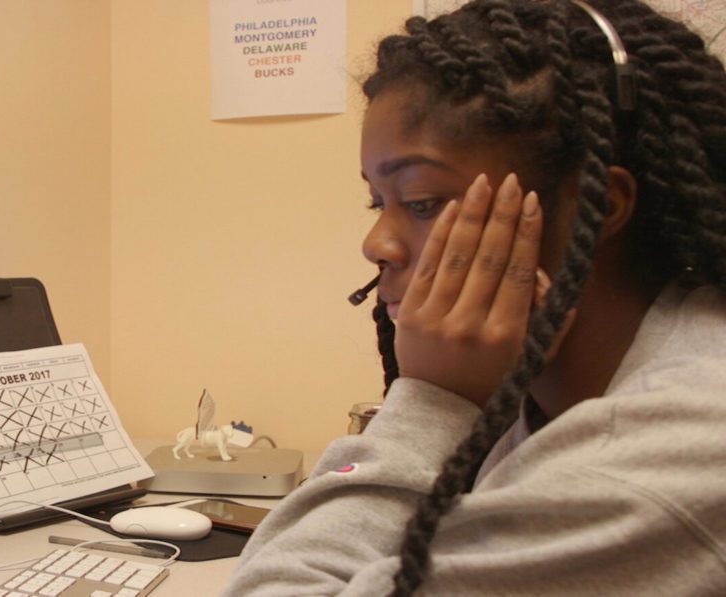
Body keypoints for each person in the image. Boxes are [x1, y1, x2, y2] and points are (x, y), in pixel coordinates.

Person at [222, 0, 726, 595]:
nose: (376, 244)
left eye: (421, 201)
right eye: (376, 203)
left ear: (601, 204)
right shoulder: (551, 400)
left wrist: (433, 406)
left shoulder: (654, 465)